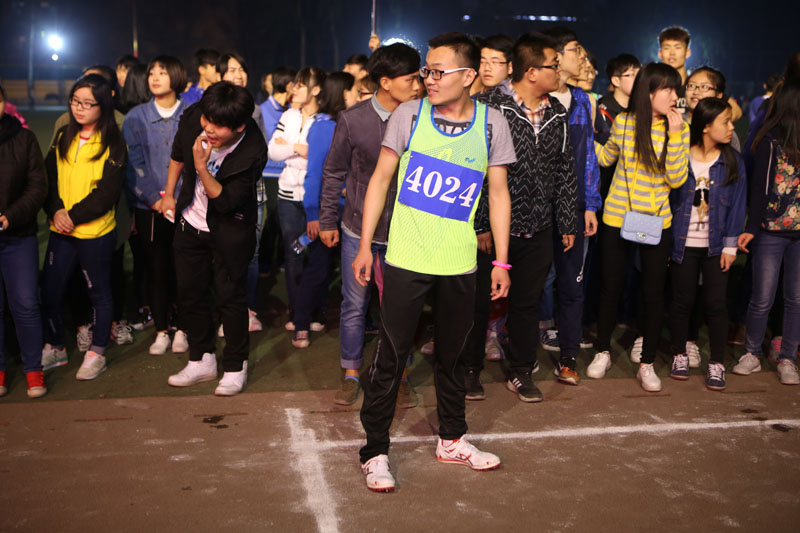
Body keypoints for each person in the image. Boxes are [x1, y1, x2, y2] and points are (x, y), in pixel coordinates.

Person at [354, 32, 515, 492]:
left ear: (468, 76)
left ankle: (452, 439)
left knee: (454, 357)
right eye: (427, 70)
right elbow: (380, 180)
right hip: (405, 259)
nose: (429, 78)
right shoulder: (409, 114)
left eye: (439, 71)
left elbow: (498, 195)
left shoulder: (492, 124)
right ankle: (375, 451)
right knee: (390, 356)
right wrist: (365, 246)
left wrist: (502, 263)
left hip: (460, 264)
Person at [465, 32, 577, 400]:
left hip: (538, 227)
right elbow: (476, 171)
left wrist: (566, 220)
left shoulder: (557, 111)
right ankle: (469, 369)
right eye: (553, 65)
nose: (559, 71)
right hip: (492, 230)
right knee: (478, 302)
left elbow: (565, 168)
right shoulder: (487, 106)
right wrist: (481, 224)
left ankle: (520, 370)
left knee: (527, 303)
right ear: (531, 72)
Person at [318, 43, 421, 406]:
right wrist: (327, 219)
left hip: (404, 230)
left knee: (400, 307)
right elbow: (333, 172)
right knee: (354, 305)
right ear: (386, 82)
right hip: (357, 228)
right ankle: (350, 373)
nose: (418, 86)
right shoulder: (353, 119)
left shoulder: (422, 117)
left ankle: (401, 373)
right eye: (411, 79)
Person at [160, 81, 267, 396]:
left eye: (217, 125)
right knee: (190, 294)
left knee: (230, 299)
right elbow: (177, 154)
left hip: (230, 230)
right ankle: (201, 358)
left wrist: (202, 167)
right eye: (206, 119)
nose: (208, 128)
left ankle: (235, 366)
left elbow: (225, 201)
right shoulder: (196, 117)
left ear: (238, 127)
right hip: (190, 223)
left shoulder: (253, 150)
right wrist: (169, 194)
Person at [589, 62, 689, 392]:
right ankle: (603, 351)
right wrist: (584, 136)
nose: (674, 96)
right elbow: (606, 158)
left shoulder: (680, 128)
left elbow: (676, 178)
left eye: (675, 89)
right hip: (617, 218)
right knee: (611, 287)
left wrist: (676, 135)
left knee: (653, 292)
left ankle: (646, 363)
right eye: (667, 89)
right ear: (648, 92)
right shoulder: (625, 123)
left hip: (655, 220)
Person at [41, 74, 127, 381]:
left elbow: (107, 193)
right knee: (50, 291)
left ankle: (97, 352)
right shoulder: (63, 134)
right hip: (61, 230)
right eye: (76, 101)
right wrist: (55, 210)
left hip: (94, 233)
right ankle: (55, 346)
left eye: (88, 103)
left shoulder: (114, 142)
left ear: (103, 106)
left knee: (99, 294)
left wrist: (72, 216)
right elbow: (47, 177)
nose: (79, 108)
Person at [669, 97, 746, 390]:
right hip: (683, 242)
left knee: (716, 303)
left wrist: (730, 246)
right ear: (705, 126)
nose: (731, 127)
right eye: (725, 122)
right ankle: (679, 354)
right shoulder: (682, 155)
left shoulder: (732, 160)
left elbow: (738, 205)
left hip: (716, 246)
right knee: (682, 301)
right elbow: (670, 197)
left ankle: (716, 362)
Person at [536, 27, 599, 384]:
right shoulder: (536, 99)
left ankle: (569, 358)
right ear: (557, 57)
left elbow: (588, 155)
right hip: (537, 207)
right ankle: (523, 358)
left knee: (572, 286)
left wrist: (590, 205)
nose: (583, 58)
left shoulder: (583, 101)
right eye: (577, 50)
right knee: (532, 283)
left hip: (574, 207)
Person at [734, 79, 800, 385]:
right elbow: (760, 189)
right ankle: (751, 354)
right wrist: (751, 228)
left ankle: (787, 358)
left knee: (796, 299)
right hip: (771, 231)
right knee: (762, 297)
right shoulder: (769, 141)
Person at [123, 56, 189, 356]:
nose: (155, 77)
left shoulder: (191, 114)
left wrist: (177, 197)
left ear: (176, 76)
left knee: (185, 269)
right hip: (149, 207)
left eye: (162, 72)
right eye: (152, 73)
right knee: (156, 270)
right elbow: (133, 165)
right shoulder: (135, 117)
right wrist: (155, 199)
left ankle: (183, 328)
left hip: (186, 206)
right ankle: (162, 330)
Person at [268, 67, 334, 347]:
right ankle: (298, 313)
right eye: (294, 84)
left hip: (314, 199)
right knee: (294, 253)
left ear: (316, 90)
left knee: (318, 255)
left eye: (300, 85)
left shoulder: (327, 120)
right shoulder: (289, 116)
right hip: (287, 199)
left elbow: (321, 161)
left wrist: (292, 148)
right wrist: (300, 148)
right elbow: (273, 151)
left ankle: (315, 309)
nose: (294, 89)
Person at [0, 82, 48, 398]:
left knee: (26, 303)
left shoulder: (24, 138)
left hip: (17, 236)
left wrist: (10, 216)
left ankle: (33, 369)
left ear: (4, 103)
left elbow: (37, 186)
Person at [217, 52, 266, 333]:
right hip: (220, 193)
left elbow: (262, 151)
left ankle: (247, 309)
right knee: (222, 254)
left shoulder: (255, 110)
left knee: (252, 253)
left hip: (253, 193)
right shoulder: (211, 109)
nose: (237, 75)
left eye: (241, 69)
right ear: (220, 75)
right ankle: (226, 311)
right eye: (231, 69)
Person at [259, 67, 296, 275]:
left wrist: (287, 143)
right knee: (273, 216)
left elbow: (288, 141)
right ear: (289, 85)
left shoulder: (290, 111)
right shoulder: (264, 110)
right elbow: (271, 145)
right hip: (270, 173)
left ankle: (282, 260)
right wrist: (290, 144)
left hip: (287, 171)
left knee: (286, 219)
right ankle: (265, 261)